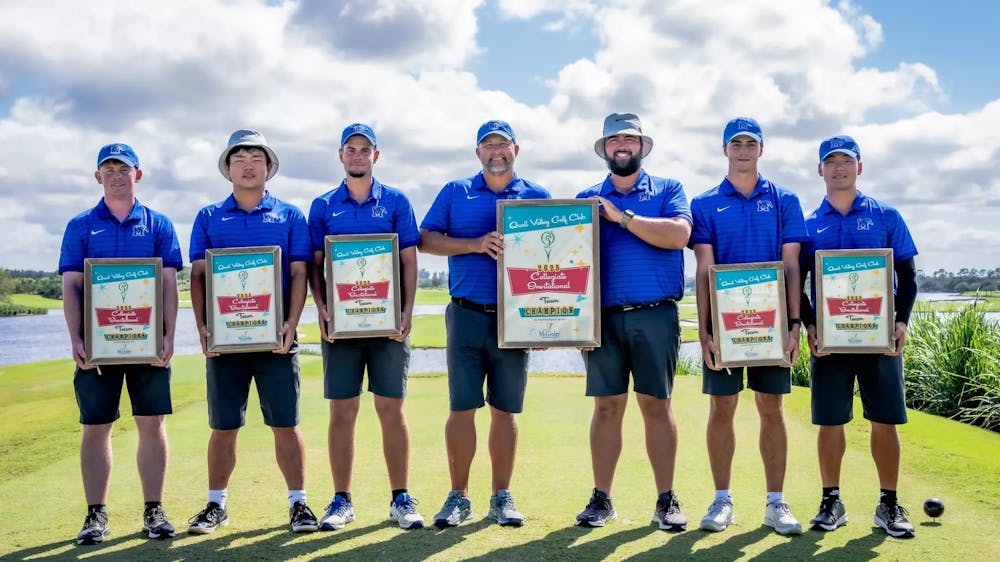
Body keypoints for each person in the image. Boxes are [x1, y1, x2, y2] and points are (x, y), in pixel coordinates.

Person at [418, 120, 550, 528]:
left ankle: (501, 496)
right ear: (478, 152)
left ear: (516, 149)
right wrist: (475, 244)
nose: (496, 152)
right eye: (488, 145)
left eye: (503, 145)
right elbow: (426, 239)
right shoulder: (455, 192)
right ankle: (458, 497)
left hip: (516, 320)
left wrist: (552, 318)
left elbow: (555, 258)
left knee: (504, 410)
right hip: (466, 314)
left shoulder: (536, 196)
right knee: (462, 408)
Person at [186, 130, 318, 534]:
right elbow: (199, 276)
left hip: (277, 341)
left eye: (255, 157)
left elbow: (300, 273)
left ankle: (298, 504)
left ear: (268, 167)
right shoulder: (209, 217)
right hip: (226, 344)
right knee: (223, 426)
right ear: (228, 168)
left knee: (286, 425)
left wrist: (291, 325)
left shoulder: (291, 216)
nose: (247, 163)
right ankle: (215, 505)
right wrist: (205, 329)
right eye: (239, 157)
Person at [59, 143, 183, 545]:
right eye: (108, 168)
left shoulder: (159, 224)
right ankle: (96, 514)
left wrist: (168, 335)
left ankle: (154, 509)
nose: (116, 174)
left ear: (138, 175)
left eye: (123, 168)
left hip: (147, 346)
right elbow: (72, 285)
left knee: (152, 424)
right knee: (96, 427)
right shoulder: (80, 225)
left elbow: (167, 284)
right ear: (98, 176)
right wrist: (76, 338)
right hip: (98, 347)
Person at [573, 113, 693, 531]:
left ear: (642, 146)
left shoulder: (668, 190)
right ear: (605, 148)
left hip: (655, 314)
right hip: (602, 320)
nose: (621, 145)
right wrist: (578, 322)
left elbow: (678, 236)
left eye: (629, 138)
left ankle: (666, 499)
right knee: (606, 408)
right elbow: (572, 264)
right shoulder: (585, 198)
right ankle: (602, 498)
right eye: (613, 139)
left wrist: (621, 217)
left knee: (656, 406)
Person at [689, 117, 807, 536]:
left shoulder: (784, 199)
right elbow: (704, 269)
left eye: (750, 143)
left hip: (772, 325)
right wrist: (704, 331)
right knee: (721, 407)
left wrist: (795, 324)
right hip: (725, 327)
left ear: (762, 149)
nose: (742, 150)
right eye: (735, 143)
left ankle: (776, 503)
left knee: (771, 408)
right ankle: (722, 499)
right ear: (724, 149)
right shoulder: (704, 204)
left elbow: (792, 265)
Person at [306, 123, 424, 530]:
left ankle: (401, 499)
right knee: (343, 411)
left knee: (391, 409)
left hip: (388, 326)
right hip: (341, 328)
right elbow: (316, 266)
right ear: (340, 155)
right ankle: (341, 500)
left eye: (365, 149)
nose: (358, 156)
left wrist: (407, 311)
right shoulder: (323, 206)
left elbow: (408, 260)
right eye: (350, 149)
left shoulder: (395, 201)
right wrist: (321, 308)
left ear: (376, 155)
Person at [800, 135, 918, 538]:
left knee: (885, 421)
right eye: (830, 162)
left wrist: (901, 321)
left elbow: (908, 275)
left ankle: (889, 504)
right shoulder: (809, 223)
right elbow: (797, 283)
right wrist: (811, 324)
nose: (838, 168)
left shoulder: (886, 216)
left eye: (846, 161)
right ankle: (831, 501)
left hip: (879, 338)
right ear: (820, 170)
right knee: (831, 422)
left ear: (860, 167)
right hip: (830, 344)